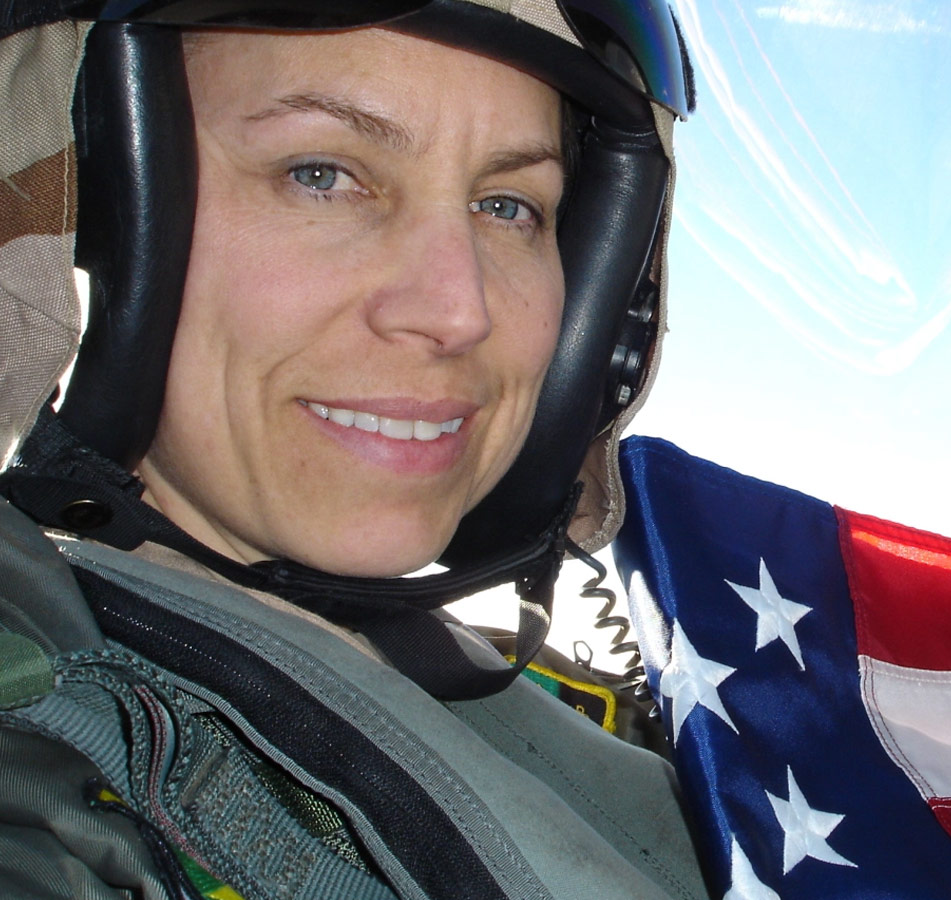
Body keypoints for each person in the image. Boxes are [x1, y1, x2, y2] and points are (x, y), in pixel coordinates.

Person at [0, 2, 710, 897]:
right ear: (89, 209)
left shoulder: (622, 746)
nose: (459, 311)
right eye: (321, 173)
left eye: (507, 206)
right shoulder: (48, 720)